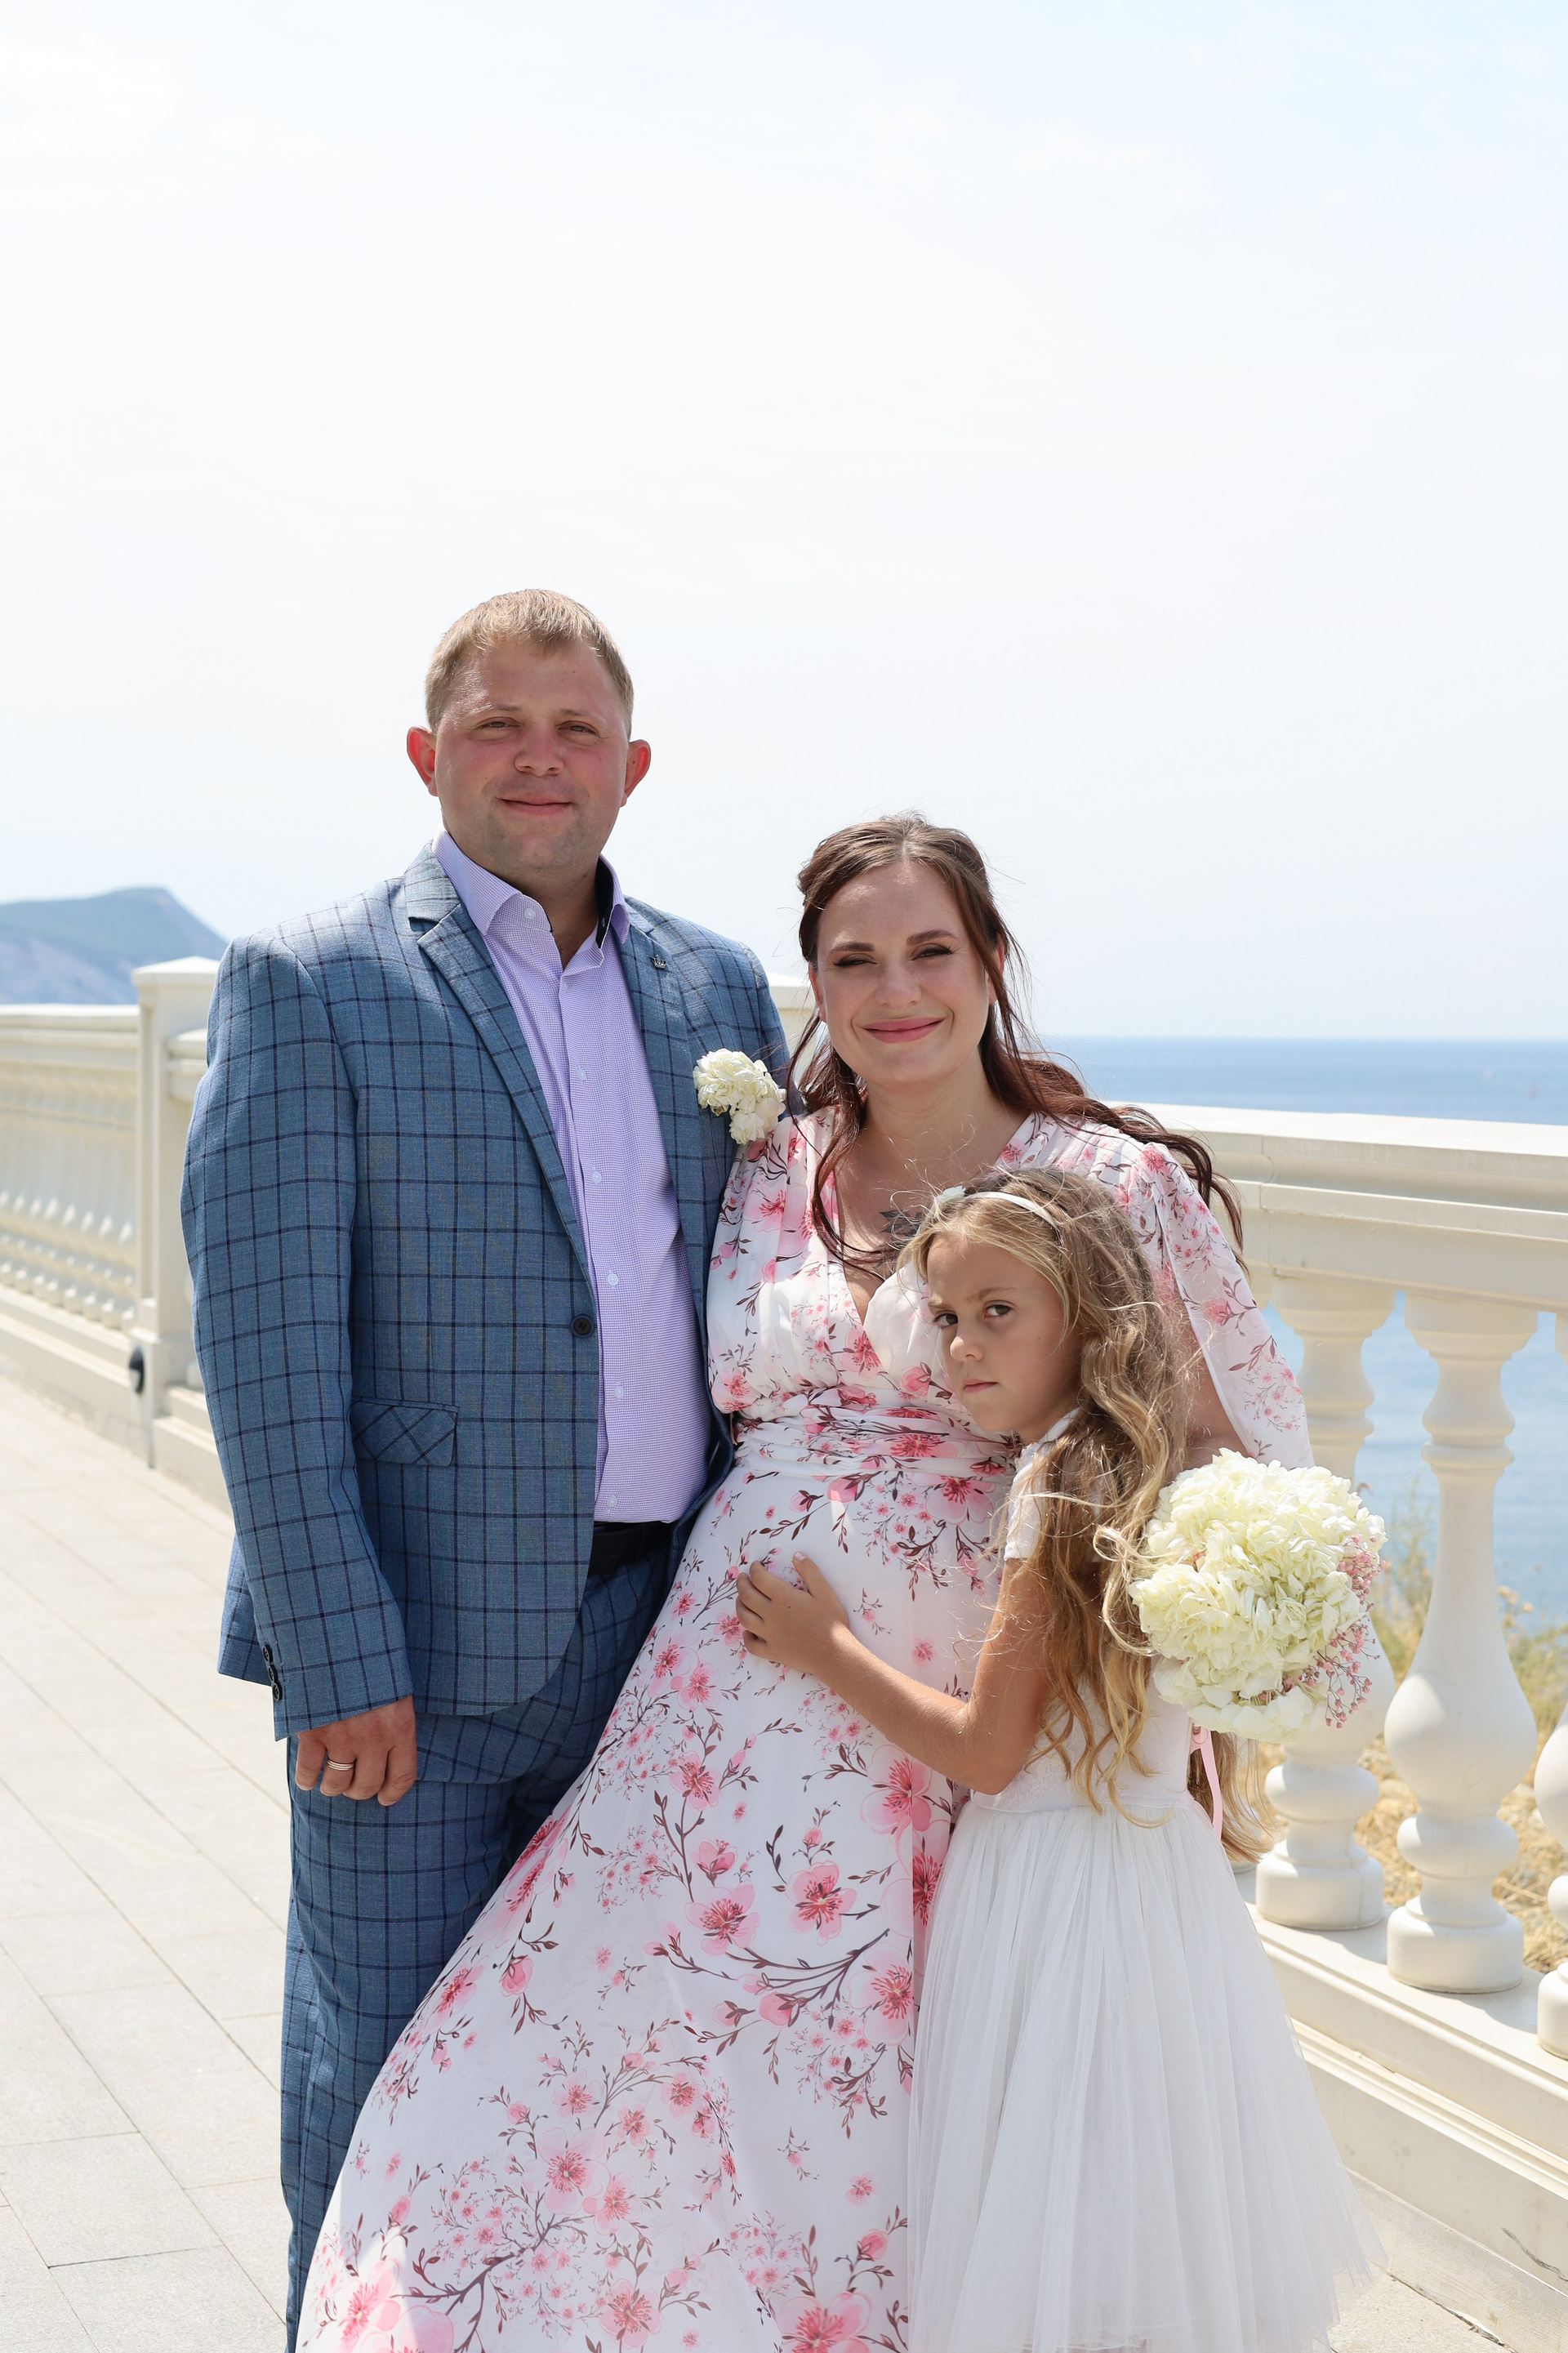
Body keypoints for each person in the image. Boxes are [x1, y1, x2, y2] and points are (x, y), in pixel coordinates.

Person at [296, 815, 1311, 2353]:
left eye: (931, 951)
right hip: (724, 1689)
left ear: (991, 964)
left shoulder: (1108, 1179)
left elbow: (1230, 1446)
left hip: (968, 1697)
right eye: (855, 959)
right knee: (638, 2041)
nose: (896, 991)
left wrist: (1197, 1675)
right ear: (814, 985)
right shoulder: (775, 1162)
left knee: (909, 2063)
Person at [181, 589, 785, 2346]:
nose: (540, 758)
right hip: (410, 1673)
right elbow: (266, 1351)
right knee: (376, 2089)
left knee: (605, 2096)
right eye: (499, 725)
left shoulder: (717, 985)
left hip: (658, 1658)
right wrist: (335, 1653)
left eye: (576, 728)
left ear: (633, 766)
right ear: (427, 754)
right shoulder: (312, 979)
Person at [737, 1168, 1380, 2353]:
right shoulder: (1151, 1465)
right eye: (945, 1315)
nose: (961, 1346)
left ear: (1086, 1314)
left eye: (1000, 1310)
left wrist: (826, 1649)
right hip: (1162, 1880)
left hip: (1050, 1891)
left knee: (1052, 2215)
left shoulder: (1055, 1482)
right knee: (1152, 2197)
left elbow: (988, 1753)